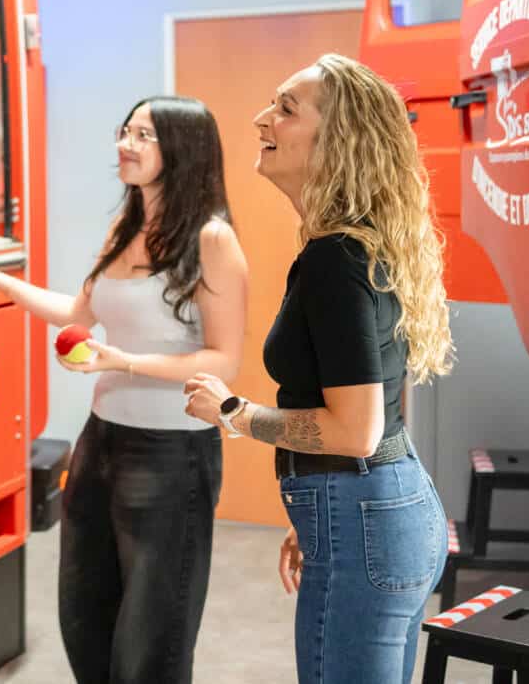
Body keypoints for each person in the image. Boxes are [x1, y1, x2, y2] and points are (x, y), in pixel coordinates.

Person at [0, 96, 247, 684]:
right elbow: (74, 312)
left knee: (151, 644)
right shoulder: (125, 226)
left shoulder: (213, 240)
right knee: (85, 620)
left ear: (181, 150)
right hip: (100, 444)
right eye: (125, 130)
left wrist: (124, 360)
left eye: (143, 135)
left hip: (171, 454)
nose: (125, 144)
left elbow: (224, 360)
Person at [183, 54, 452, 684]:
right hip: (375, 508)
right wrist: (320, 522)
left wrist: (233, 411)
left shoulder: (337, 258)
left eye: (285, 108)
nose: (260, 119)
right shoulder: (352, 246)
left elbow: (354, 431)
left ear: (339, 139)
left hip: (367, 519)